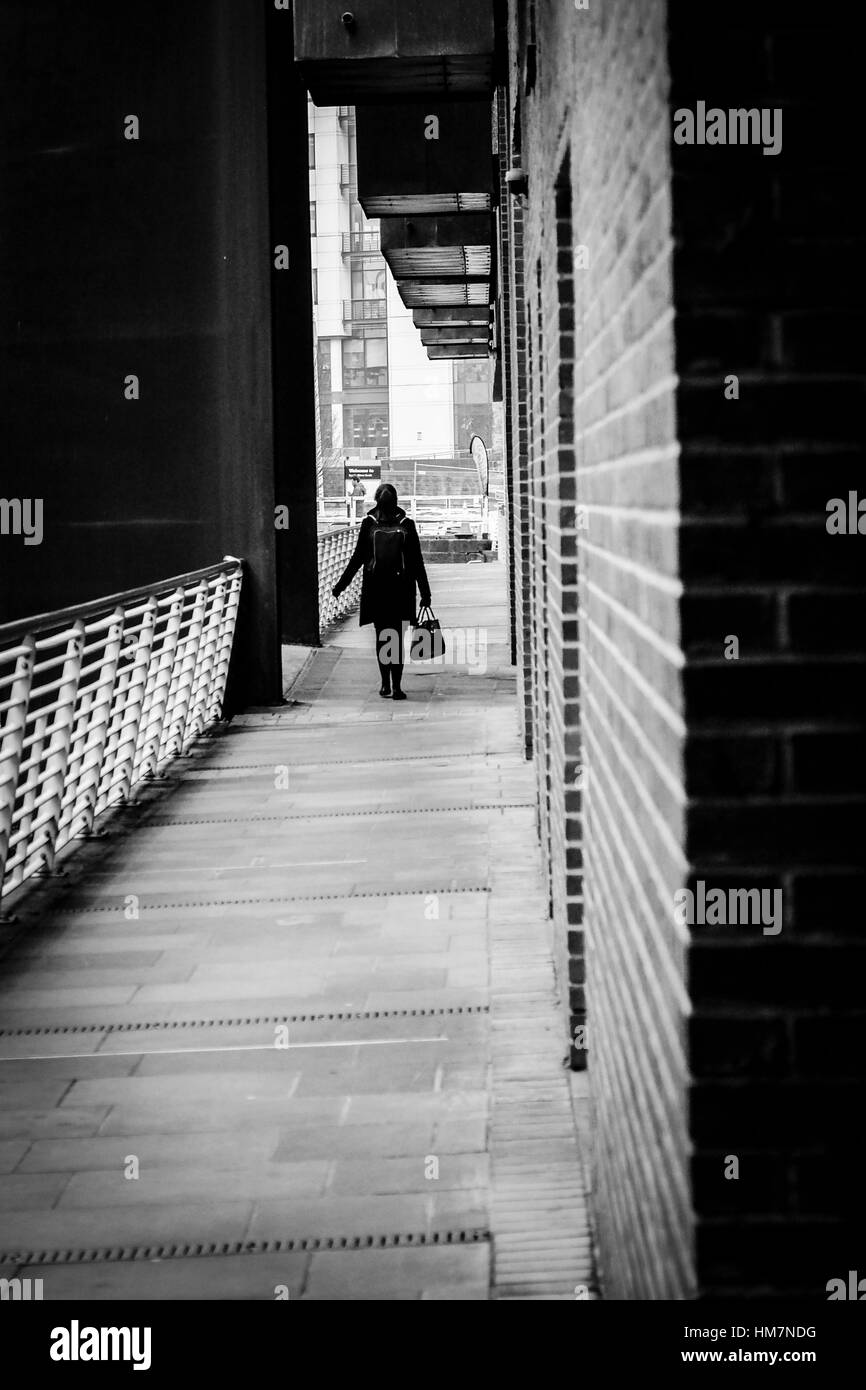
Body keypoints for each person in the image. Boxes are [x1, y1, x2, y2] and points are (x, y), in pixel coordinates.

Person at [331, 482, 431, 700]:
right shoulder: (407, 525)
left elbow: (357, 558)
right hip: (401, 590)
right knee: (396, 637)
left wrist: (340, 586)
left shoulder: (369, 524)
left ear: (376, 501)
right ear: (396, 501)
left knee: (382, 637)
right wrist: (425, 593)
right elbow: (416, 562)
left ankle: (385, 684)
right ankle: (397, 686)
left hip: (376, 589)